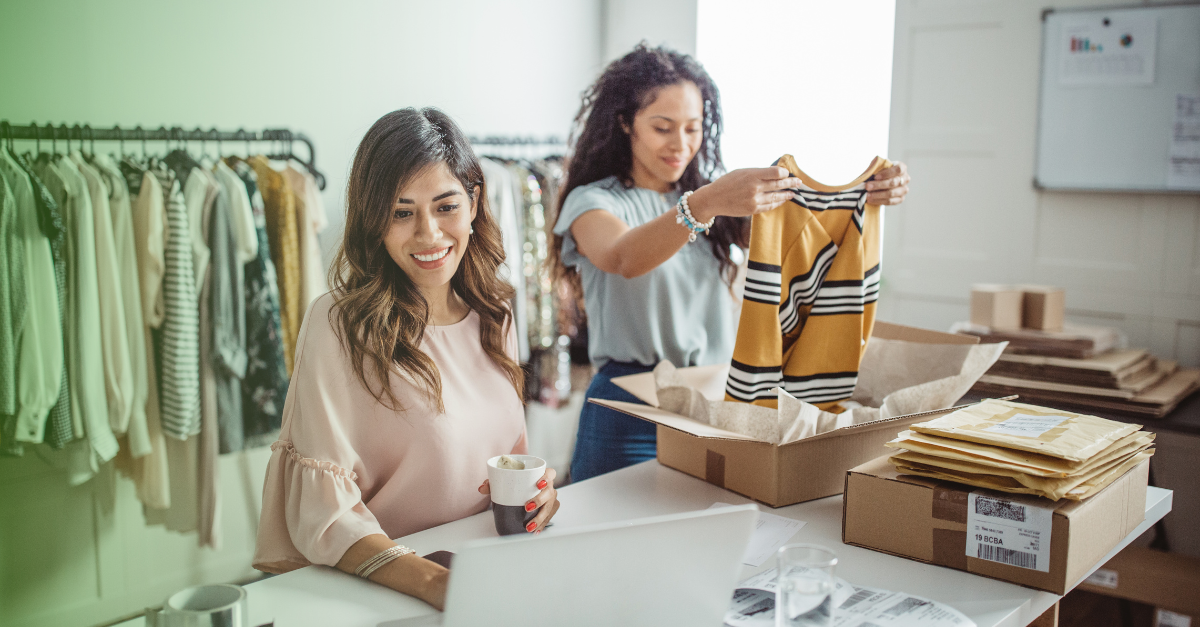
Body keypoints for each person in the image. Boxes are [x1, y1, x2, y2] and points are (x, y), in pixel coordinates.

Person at [552, 44, 911, 483]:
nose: (680, 145)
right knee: (608, 540)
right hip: (629, 409)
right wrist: (706, 204)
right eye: (663, 127)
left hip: (714, 403)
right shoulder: (594, 201)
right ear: (626, 123)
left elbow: (803, 235)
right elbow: (623, 257)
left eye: (693, 128)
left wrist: (869, 193)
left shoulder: (716, 202)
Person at [253, 108, 561, 610]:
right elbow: (324, 516)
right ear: (374, 220)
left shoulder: (494, 311)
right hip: (389, 594)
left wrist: (539, 494)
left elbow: (505, 461)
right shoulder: (339, 325)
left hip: (492, 576)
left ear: (474, 201)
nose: (428, 234)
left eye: (445, 206)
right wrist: (437, 585)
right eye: (402, 212)